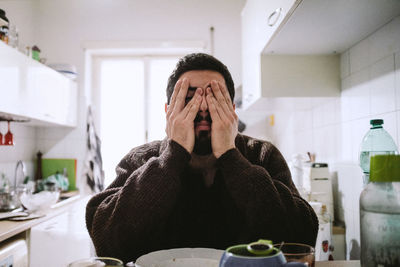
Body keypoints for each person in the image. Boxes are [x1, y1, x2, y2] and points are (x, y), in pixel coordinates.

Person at [86, 53, 318, 263]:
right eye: (190, 100)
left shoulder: (262, 155)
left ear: (233, 111)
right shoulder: (141, 159)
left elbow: (301, 238)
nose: (204, 109)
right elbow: (108, 243)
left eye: (215, 98)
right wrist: (174, 154)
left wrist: (230, 156)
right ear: (168, 112)